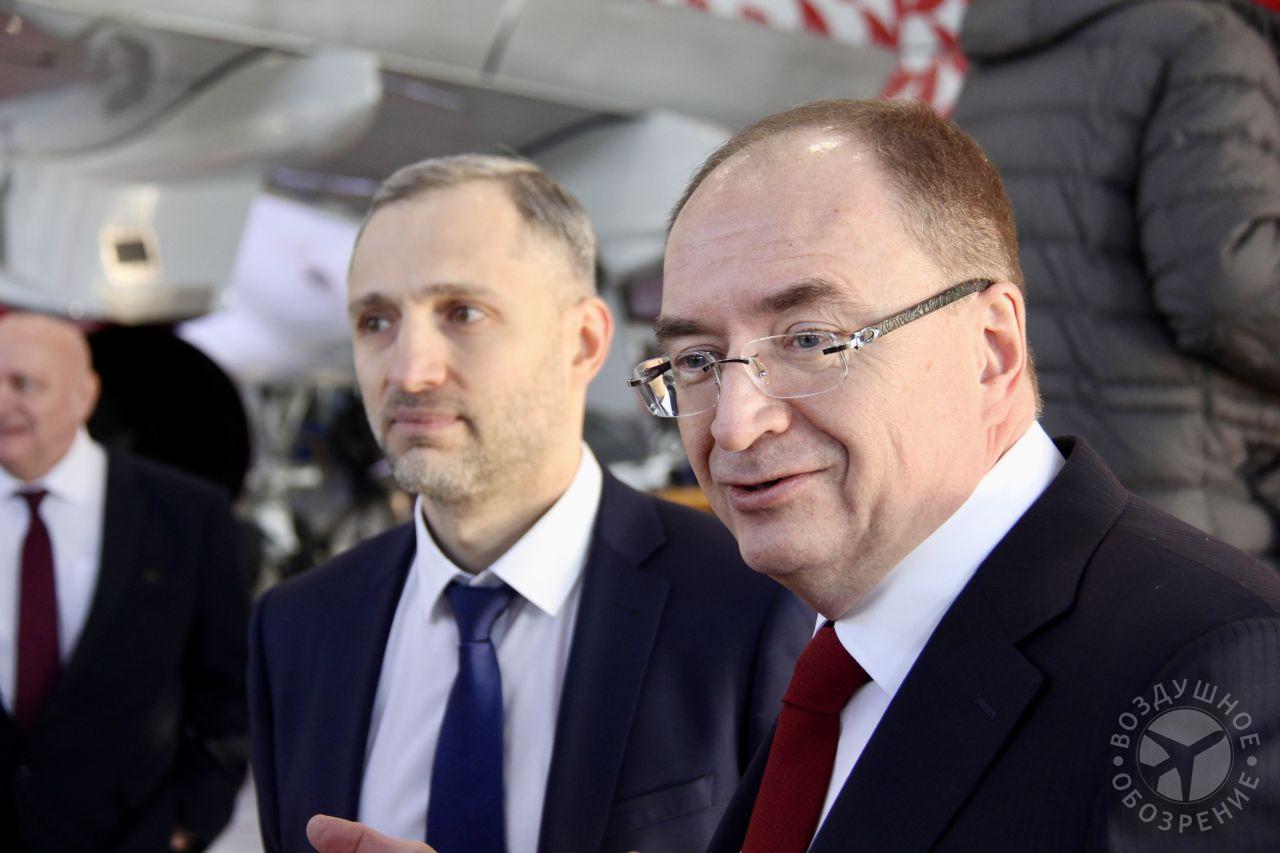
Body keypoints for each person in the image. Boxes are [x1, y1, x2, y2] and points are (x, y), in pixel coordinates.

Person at [650, 99, 1278, 852]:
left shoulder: (1220, 667)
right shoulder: (826, 658)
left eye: (811, 340)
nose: (733, 424)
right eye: (696, 360)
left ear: (992, 348)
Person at [248, 155, 810, 853]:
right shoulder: (297, 629)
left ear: (583, 343)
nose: (409, 371)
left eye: (463, 313)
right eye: (375, 321)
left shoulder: (749, 606)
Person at [952, 0, 1280, 565]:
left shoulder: (1011, 51)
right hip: (1186, 486)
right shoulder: (1209, 42)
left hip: (1027, 476)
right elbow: (1228, 291)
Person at [0, 310, 249, 852]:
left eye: (24, 384)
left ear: (83, 397)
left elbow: (229, 692)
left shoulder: (187, 516)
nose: (2, 402)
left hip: (128, 838)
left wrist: (189, 824)